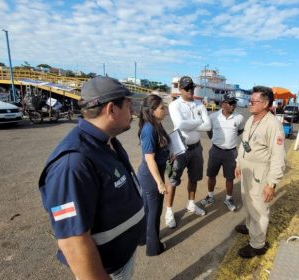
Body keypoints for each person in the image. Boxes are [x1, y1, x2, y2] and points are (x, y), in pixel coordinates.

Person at [38, 76, 145, 280]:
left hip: (121, 258)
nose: (133, 112)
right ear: (111, 109)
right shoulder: (73, 164)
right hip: (106, 271)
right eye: (129, 106)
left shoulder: (106, 141)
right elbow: (72, 242)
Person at [234, 86, 286, 259]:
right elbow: (244, 144)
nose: (250, 104)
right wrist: (238, 163)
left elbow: (278, 157)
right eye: (250, 100)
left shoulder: (273, 124)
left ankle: (257, 245)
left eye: (253, 101)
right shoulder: (251, 120)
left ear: (265, 103)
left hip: (260, 172)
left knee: (259, 207)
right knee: (247, 200)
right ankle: (250, 227)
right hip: (247, 169)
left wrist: (271, 184)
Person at [165, 76, 211, 228]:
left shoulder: (199, 104)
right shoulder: (175, 105)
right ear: (180, 90)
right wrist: (199, 121)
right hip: (179, 148)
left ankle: (191, 204)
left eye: (192, 87)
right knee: (173, 180)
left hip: (196, 148)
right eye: (187, 88)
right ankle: (169, 211)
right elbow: (179, 124)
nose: (190, 90)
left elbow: (208, 126)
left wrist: (191, 124)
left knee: (194, 178)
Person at [137, 94, 170, 256]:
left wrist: (168, 154)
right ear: (152, 111)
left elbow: (159, 149)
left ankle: (143, 238)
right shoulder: (149, 128)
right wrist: (160, 183)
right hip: (151, 177)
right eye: (162, 108)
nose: (165, 110)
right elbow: (149, 158)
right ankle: (153, 247)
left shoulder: (156, 124)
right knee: (154, 213)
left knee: (148, 210)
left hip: (154, 174)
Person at [200, 92, 245, 211]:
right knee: (211, 175)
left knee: (230, 177)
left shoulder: (239, 118)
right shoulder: (213, 117)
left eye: (234, 103)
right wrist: (216, 141)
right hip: (215, 151)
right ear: (223, 104)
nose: (233, 105)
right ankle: (210, 196)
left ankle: (228, 198)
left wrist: (230, 140)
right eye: (230, 103)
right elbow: (209, 131)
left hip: (231, 153)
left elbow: (239, 131)